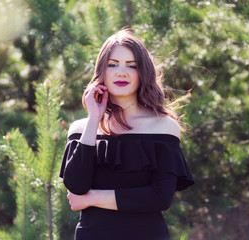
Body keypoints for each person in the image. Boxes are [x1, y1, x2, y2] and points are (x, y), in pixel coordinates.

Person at [59, 29, 194, 240]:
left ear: (144, 74)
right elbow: (76, 186)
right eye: (112, 65)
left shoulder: (164, 127)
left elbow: (160, 197)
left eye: (132, 66)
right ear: (101, 71)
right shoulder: (82, 128)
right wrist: (94, 118)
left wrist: (92, 198)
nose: (121, 72)